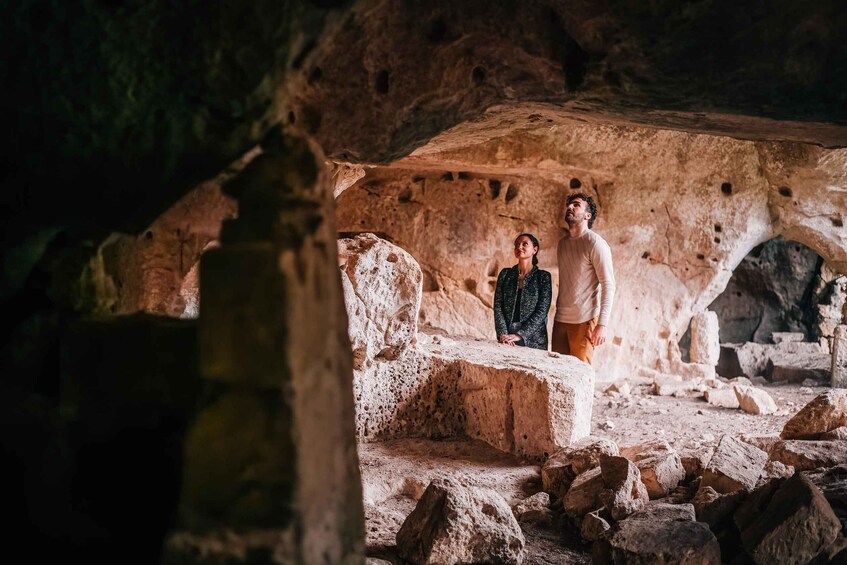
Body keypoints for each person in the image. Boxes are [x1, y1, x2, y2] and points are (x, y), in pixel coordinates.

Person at [551, 193, 616, 364]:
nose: (570, 207)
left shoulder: (595, 243)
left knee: (581, 375)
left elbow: (608, 284)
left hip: (584, 320)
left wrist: (602, 324)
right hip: (560, 319)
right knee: (558, 373)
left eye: (576, 205)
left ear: (588, 215)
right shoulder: (562, 244)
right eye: (569, 205)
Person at [493, 233, 552, 350]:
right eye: (516, 245)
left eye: (524, 244)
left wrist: (520, 334)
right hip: (508, 339)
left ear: (535, 250)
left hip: (534, 340)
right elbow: (498, 306)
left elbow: (542, 310)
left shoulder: (543, 277)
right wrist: (503, 334)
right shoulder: (505, 274)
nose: (519, 247)